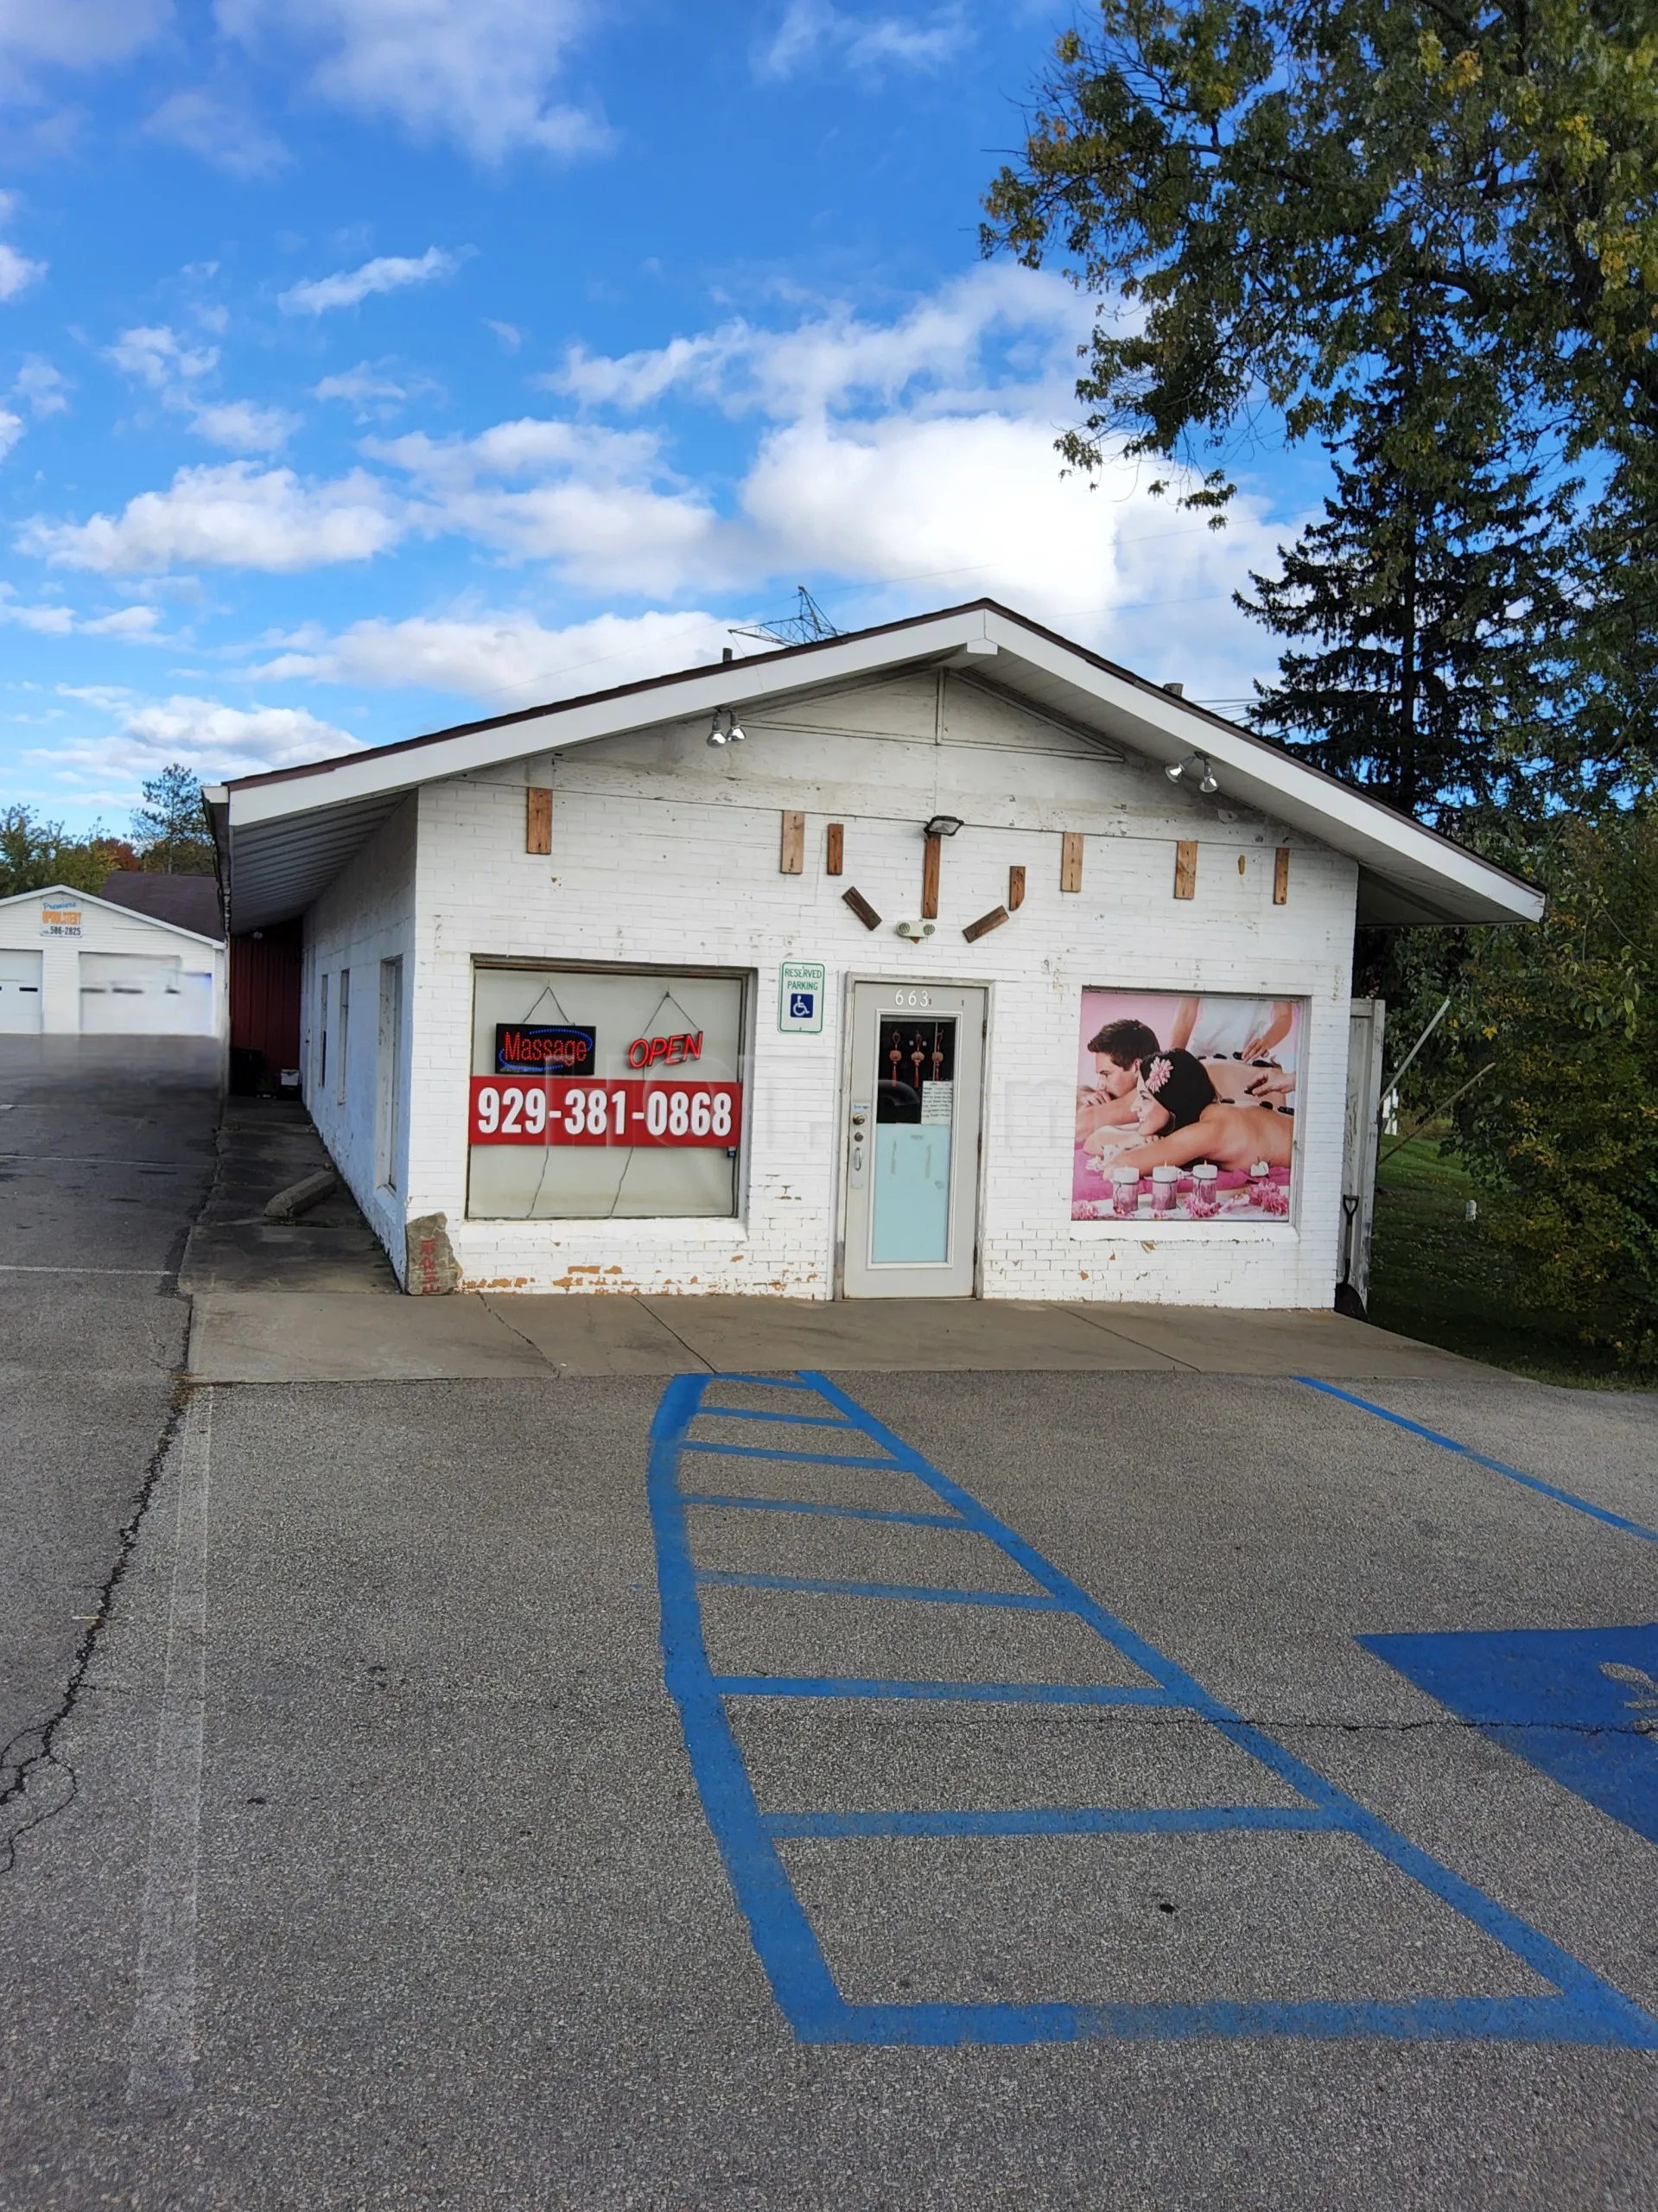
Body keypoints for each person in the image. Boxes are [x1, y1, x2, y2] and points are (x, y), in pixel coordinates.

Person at [1113, 1046, 1294, 1177]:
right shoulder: (1206, 1115)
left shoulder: (1209, 1129)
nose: (1134, 1107)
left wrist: (1144, 1142)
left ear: (1173, 1101)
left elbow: (1117, 1167)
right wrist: (1137, 1138)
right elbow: (1094, 1140)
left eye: (1144, 1098)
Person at [1075, 1017, 1161, 1146]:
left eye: (1106, 1074)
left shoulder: (1154, 1098)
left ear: (1136, 1067)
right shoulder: (1099, 1096)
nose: (1101, 1085)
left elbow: (1080, 1128)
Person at [1170, 995, 1295, 1065]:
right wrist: (1170, 1061)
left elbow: (1284, 1016)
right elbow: (1185, 1014)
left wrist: (1267, 1041)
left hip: (1251, 1060)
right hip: (1204, 1057)